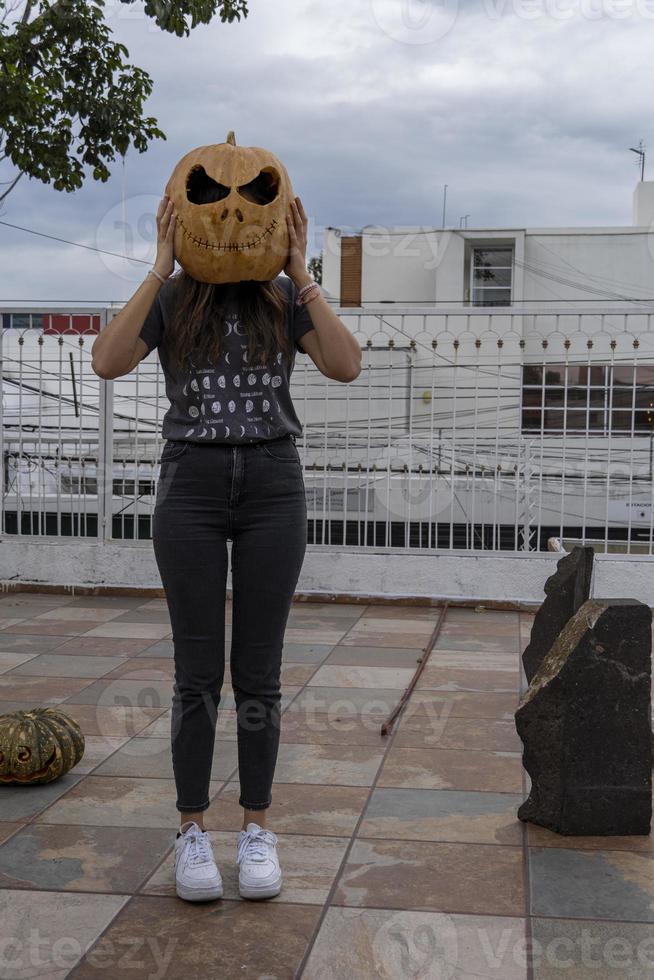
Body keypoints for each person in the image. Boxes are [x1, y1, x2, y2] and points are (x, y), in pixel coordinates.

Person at [90, 189, 361, 903]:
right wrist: (160, 263)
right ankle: (191, 834)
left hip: (274, 482)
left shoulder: (283, 297)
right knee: (197, 674)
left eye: (253, 202)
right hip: (193, 485)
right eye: (213, 200)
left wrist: (302, 269)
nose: (233, 213)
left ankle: (257, 829)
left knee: (261, 674)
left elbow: (346, 365)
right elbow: (107, 362)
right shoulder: (175, 299)